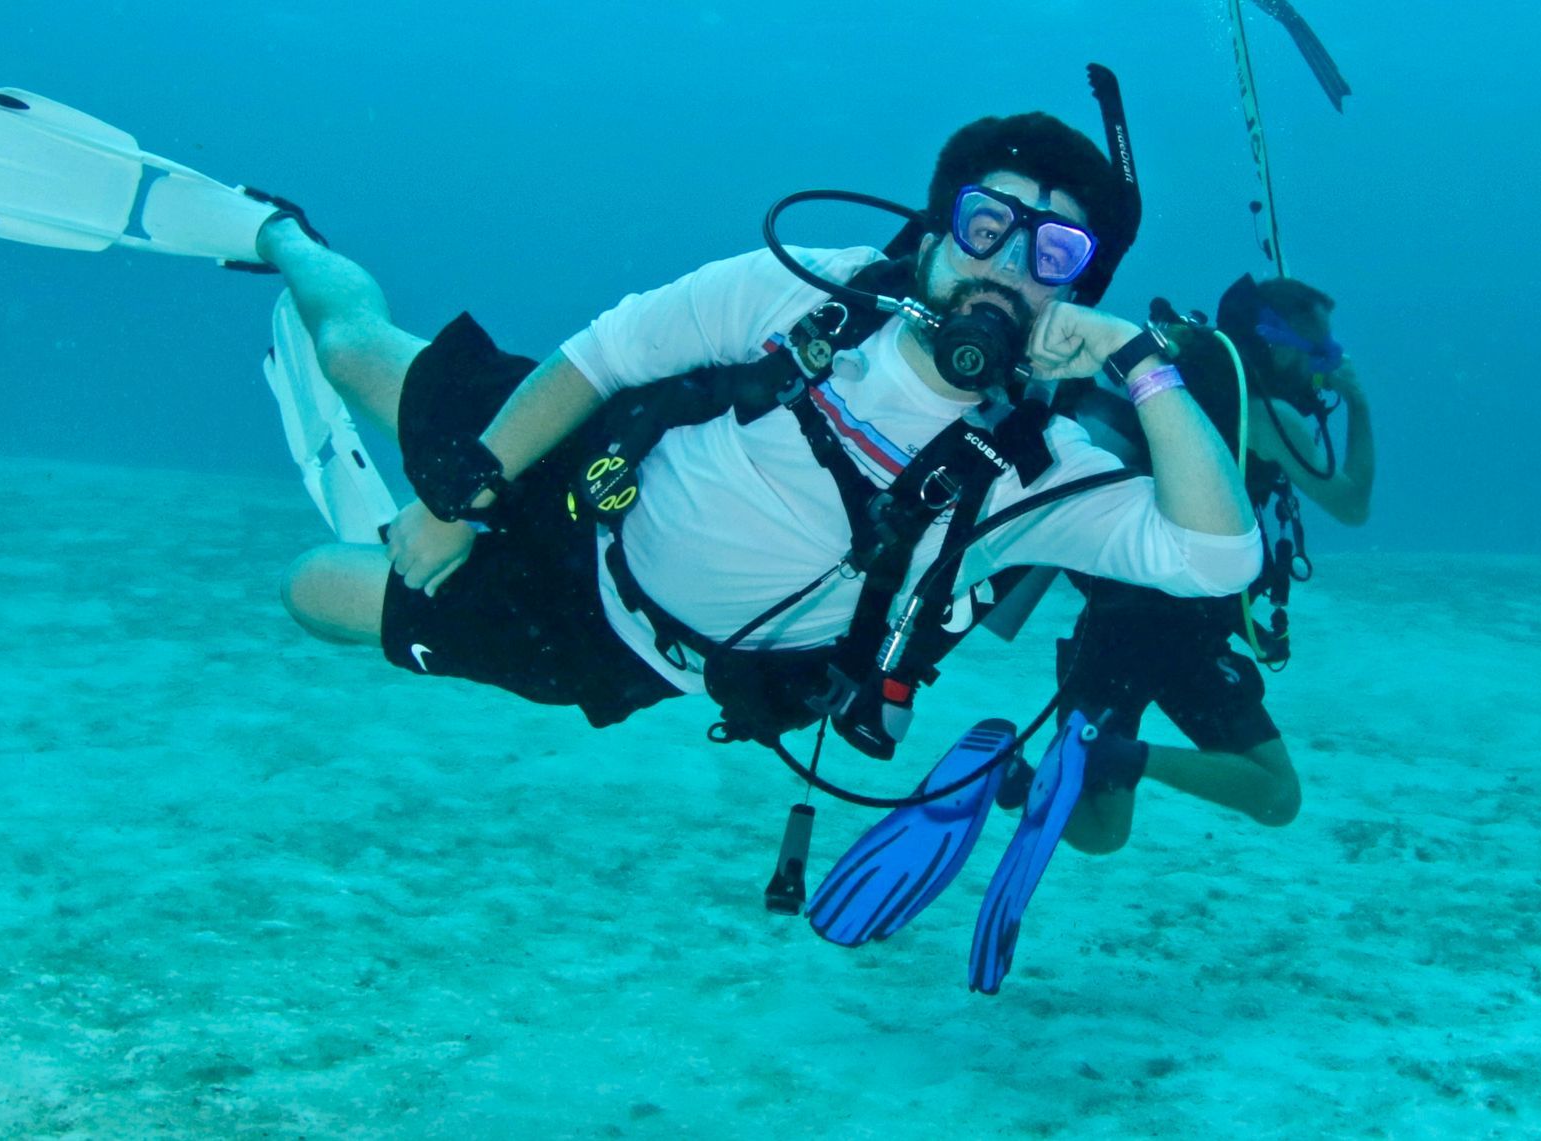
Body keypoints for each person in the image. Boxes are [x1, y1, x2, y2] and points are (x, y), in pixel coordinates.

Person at [258, 107, 1262, 748]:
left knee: (309, 590)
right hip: (576, 459)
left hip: (610, 639)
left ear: (1075, 293)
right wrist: (454, 498)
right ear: (934, 231)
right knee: (353, 351)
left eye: (1053, 254)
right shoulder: (809, 287)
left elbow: (1216, 558)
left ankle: (405, 538)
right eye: (986, 227)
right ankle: (278, 233)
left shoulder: (1036, 472)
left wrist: (1142, 367)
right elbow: (604, 356)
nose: (1006, 267)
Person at [1052, 273, 1375, 853]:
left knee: (1103, 833)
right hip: (1172, 629)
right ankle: (1114, 756)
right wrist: (1357, 401)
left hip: (1131, 616)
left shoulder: (1194, 390)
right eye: (1319, 352)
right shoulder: (1268, 415)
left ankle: (1042, 773)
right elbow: (1352, 506)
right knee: (1276, 796)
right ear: (1276, 344)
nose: (1326, 366)